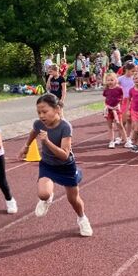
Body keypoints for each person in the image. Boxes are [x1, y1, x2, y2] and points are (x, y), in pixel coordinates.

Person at [19, 94, 92, 237]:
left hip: (66, 166)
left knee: (73, 199)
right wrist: (26, 146)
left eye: (45, 112)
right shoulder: (39, 123)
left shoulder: (65, 127)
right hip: (47, 164)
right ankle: (47, 199)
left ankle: (82, 218)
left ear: (57, 109)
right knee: (43, 193)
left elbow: (64, 154)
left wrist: (46, 142)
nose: (41, 116)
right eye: (39, 112)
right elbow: (34, 131)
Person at [102, 72, 126, 148]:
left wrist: (121, 106)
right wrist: (105, 107)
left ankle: (126, 140)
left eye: (112, 80)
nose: (110, 82)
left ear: (116, 80)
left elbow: (122, 98)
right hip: (109, 109)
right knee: (110, 126)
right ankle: (111, 141)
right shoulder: (106, 89)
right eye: (108, 80)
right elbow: (105, 98)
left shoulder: (119, 89)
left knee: (120, 125)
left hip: (117, 109)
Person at [117, 62, 137, 148]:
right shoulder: (120, 79)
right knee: (122, 120)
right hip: (123, 101)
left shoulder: (134, 78)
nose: (133, 73)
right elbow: (116, 88)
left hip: (132, 100)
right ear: (127, 70)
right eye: (132, 71)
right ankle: (120, 136)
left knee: (130, 120)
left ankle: (128, 137)